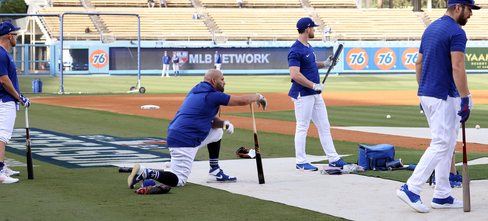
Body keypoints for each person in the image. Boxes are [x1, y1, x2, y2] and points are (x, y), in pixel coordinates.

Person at [395, 0, 479, 212]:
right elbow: (458, 67)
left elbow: (418, 64)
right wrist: (466, 98)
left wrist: (422, 91)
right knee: (442, 143)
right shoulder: (457, 32)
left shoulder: (430, 28)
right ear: (458, 7)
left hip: (429, 93)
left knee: (448, 143)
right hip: (443, 94)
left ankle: (442, 194)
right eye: (470, 9)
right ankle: (411, 188)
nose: (471, 14)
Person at [128, 69, 268, 189]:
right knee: (179, 180)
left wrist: (224, 124)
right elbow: (242, 101)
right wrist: (259, 96)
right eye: (222, 80)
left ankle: (214, 171)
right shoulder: (212, 95)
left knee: (217, 132)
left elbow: (207, 118)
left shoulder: (196, 90)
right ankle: (146, 172)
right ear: (214, 81)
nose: (224, 82)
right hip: (185, 139)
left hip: (178, 134)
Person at [289, 17, 348, 172]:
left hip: (314, 93)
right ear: (307, 29)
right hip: (303, 93)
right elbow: (295, 74)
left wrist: (325, 64)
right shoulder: (295, 49)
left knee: (324, 126)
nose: (314, 30)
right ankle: (301, 162)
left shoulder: (308, 46)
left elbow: (310, 66)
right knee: (302, 126)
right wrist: (314, 85)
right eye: (313, 28)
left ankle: (334, 158)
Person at [0, 21, 31, 184]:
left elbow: (9, 81)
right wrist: (20, 98)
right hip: (3, 101)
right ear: (8, 36)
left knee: (3, 135)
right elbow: (4, 81)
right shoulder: (0, 54)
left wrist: (20, 96)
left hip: (6, 100)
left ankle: (1, 167)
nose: (17, 37)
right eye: (15, 34)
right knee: (2, 136)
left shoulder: (3, 54)